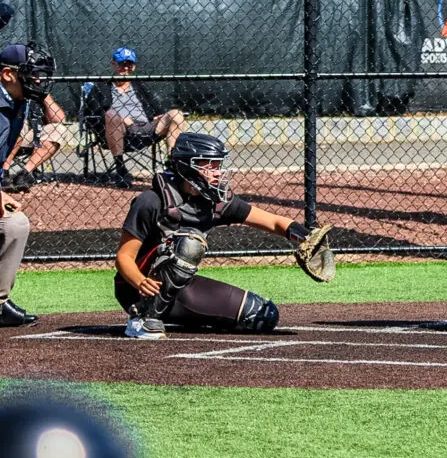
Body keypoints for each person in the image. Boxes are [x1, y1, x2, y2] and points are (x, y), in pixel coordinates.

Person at [115, 131, 324, 339]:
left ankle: (185, 316)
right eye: (209, 165)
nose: (217, 172)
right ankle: (143, 318)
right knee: (189, 244)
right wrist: (141, 282)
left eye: (218, 165)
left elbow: (273, 221)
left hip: (179, 286)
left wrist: (307, 238)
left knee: (262, 316)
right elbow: (124, 258)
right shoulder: (151, 201)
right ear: (187, 165)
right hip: (136, 288)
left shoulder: (214, 201)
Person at [0, 43, 55, 327]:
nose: (38, 81)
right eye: (31, 75)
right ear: (8, 74)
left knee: (15, 223)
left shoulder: (17, 102)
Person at [101, 46, 186, 188]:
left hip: (146, 127)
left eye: (129, 64)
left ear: (134, 67)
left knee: (176, 114)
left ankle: (172, 162)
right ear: (113, 64)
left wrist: (159, 114)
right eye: (122, 63)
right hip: (118, 129)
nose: (125, 68)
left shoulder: (139, 85)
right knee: (111, 114)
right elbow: (96, 111)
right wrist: (121, 118)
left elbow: (155, 105)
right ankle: (120, 168)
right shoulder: (102, 85)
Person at [2, 94, 70, 192]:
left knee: (59, 129)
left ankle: (23, 175)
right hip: (8, 131)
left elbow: (60, 119)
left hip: (32, 133)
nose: (37, 80)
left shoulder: (36, 91)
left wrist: (45, 96)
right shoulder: (6, 87)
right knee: (17, 121)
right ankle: (4, 172)